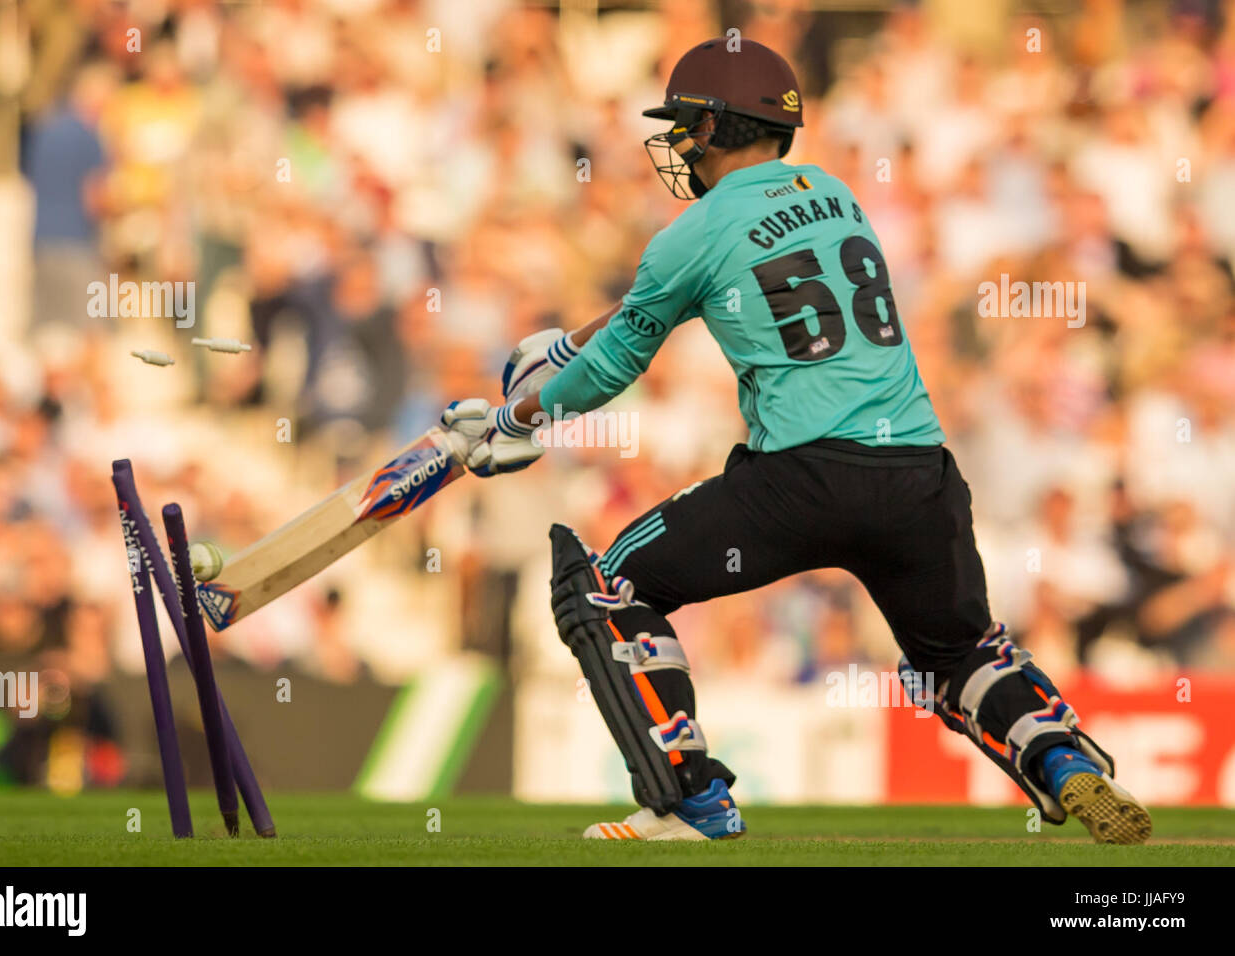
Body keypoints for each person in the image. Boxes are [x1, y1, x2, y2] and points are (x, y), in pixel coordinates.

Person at [442, 38, 1151, 844]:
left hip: (805, 479)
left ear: (715, 124)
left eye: (686, 125)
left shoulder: (696, 227)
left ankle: (689, 800)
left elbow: (622, 358)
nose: (679, 143)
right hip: (921, 475)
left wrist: (518, 421)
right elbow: (683, 296)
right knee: (959, 653)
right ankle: (1065, 762)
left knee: (609, 590)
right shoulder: (836, 193)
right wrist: (568, 348)